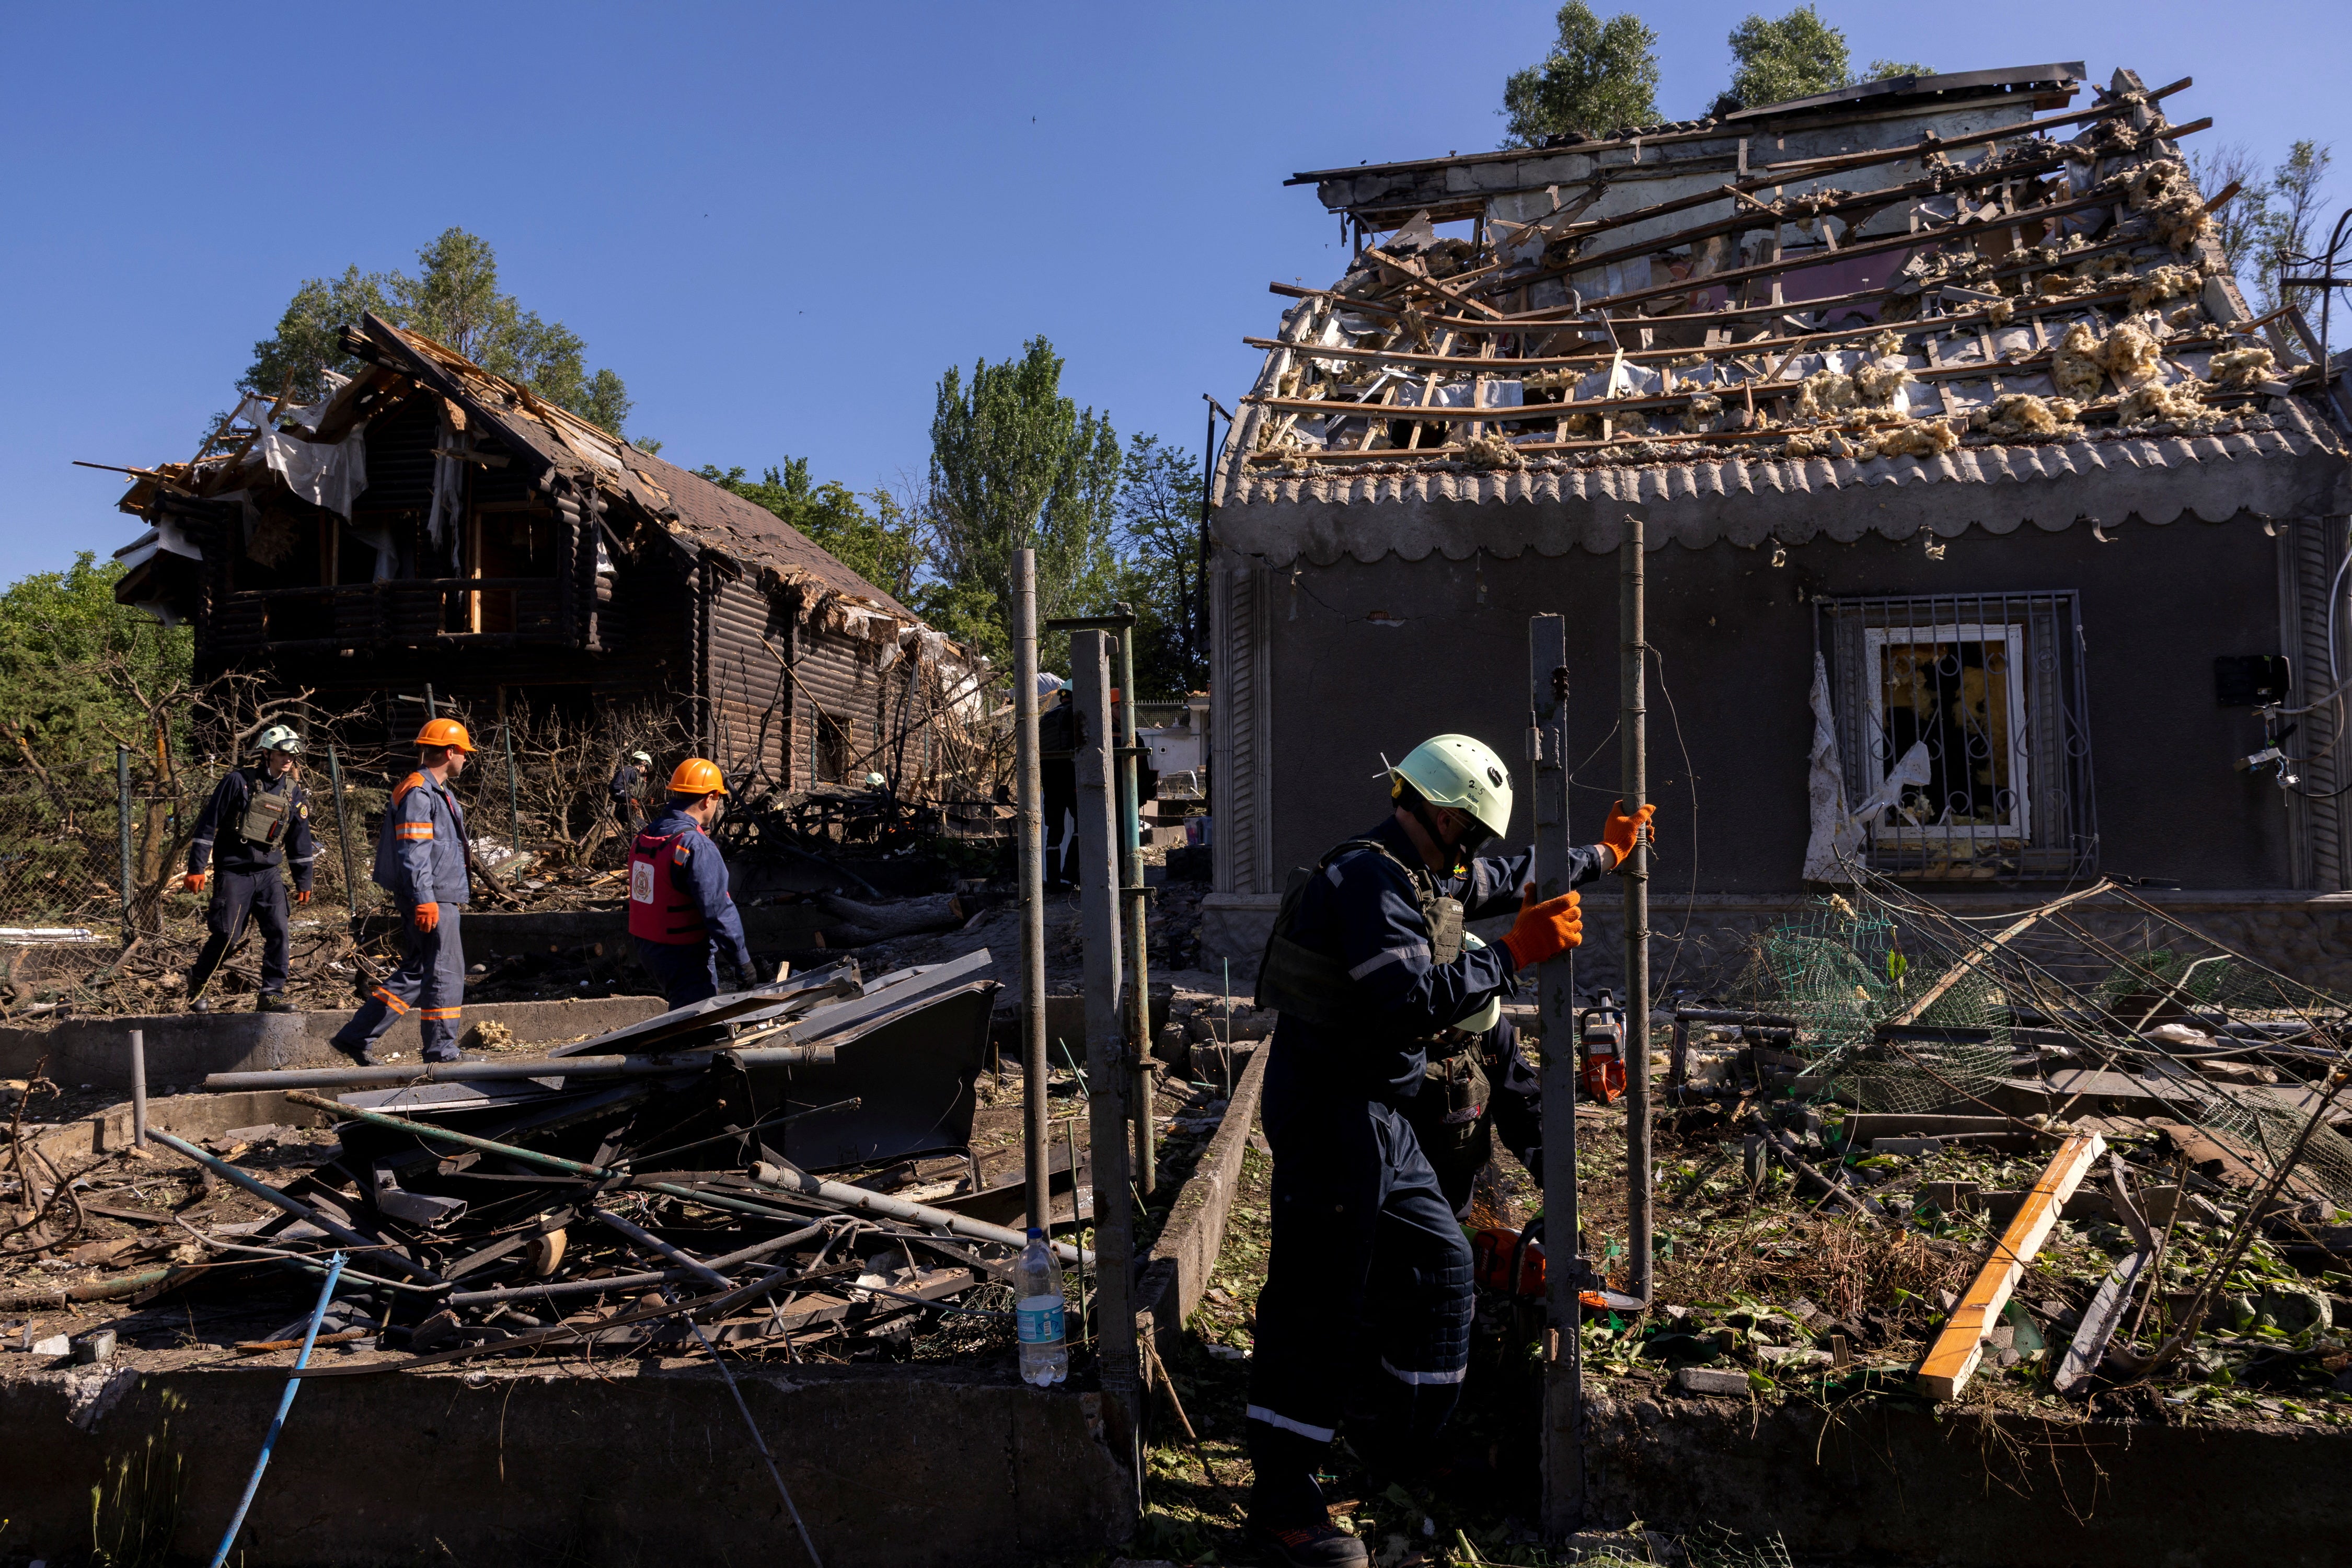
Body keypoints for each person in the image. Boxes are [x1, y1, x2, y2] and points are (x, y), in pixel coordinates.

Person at [1244, 733, 1654, 1567]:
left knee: (1445, 1266)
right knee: (1319, 1296)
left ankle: (1403, 1444)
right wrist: (1513, 954)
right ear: (1439, 813)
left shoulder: (1428, 873)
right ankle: (1283, 1500)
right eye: (1472, 834)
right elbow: (1405, 998)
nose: (1477, 854)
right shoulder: (1368, 880)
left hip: (1380, 1115)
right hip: (1329, 1110)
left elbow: (1513, 881)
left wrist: (1604, 858)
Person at [330, 719, 476, 1065]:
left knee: (420, 971)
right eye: (464, 753)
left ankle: (355, 1036)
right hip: (432, 897)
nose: (466, 760)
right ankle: (441, 1049)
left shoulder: (434, 791)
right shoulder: (419, 792)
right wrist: (425, 900)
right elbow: (414, 852)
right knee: (444, 971)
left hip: (435, 895)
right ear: (451, 752)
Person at [181, 724, 317, 1013]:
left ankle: (272, 994)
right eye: (282, 754)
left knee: (279, 931)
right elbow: (208, 824)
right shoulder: (237, 782)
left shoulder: (293, 793)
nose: (288, 759)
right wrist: (196, 868)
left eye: (292, 755)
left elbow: (299, 840)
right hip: (234, 871)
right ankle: (199, 980)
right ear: (266, 753)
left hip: (269, 873)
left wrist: (304, 881)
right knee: (227, 934)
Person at [628, 757, 756, 1008]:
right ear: (708, 798)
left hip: (648, 948)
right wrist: (742, 961)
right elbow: (718, 910)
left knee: (681, 1013)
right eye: (718, 799)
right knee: (696, 1026)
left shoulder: (645, 836)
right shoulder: (695, 845)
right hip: (683, 954)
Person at [610, 750, 652, 828]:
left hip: (631, 811)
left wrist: (646, 800)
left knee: (641, 831)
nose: (647, 771)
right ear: (644, 763)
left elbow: (634, 795)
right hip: (624, 810)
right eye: (648, 767)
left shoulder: (638, 777)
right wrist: (630, 799)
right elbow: (615, 788)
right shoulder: (628, 770)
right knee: (645, 830)